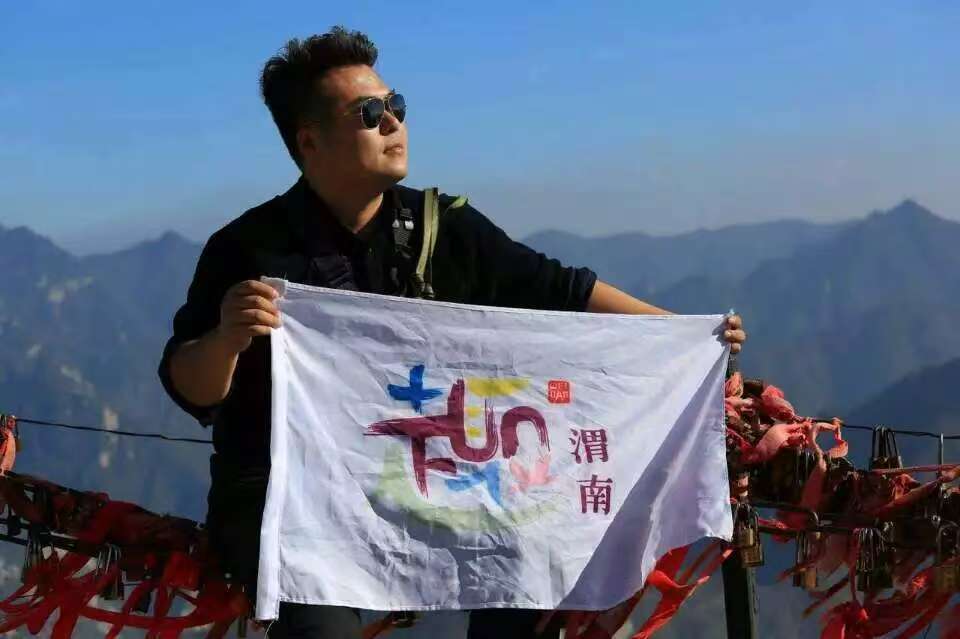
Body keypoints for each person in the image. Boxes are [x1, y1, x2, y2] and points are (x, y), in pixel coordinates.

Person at [158, 26, 746, 639]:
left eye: (396, 105)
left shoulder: (441, 229)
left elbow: (560, 288)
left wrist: (688, 338)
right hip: (292, 499)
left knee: (532, 561)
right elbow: (190, 388)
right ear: (310, 141)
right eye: (369, 113)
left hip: (433, 476)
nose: (393, 123)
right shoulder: (247, 249)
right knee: (317, 620)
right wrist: (227, 337)